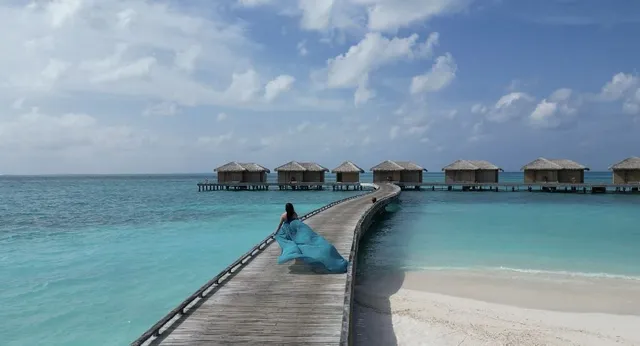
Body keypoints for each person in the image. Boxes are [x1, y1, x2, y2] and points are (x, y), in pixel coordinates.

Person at [274, 203, 348, 274]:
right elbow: (297, 222)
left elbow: (280, 225)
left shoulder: (284, 215)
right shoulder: (294, 213)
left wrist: (276, 232)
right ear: (292, 208)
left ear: (286, 208)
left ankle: (293, 255)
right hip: (295, 230)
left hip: (288, 232)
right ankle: (299, 255)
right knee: (303, 242)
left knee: (287, 242)